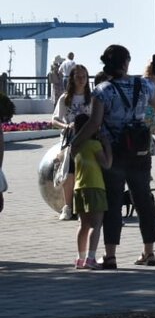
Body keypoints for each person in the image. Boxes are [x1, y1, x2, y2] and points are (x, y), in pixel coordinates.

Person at [73, 44, 155, 269]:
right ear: (126, 63)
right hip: (140, 152)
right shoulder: (144, 85)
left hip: (112, 152)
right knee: (144, 201)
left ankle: (111, 255)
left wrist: (75, 142)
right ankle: (149, 252)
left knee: (113, 203)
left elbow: (94, 123)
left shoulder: (102, 91)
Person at [51, 63, 92, 220]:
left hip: (88, 138)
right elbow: (54, 119)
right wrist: (66, 125)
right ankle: (67, 206)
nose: (81, 80)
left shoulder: (92, 98)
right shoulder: (65, 97)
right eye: (78, 77)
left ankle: (84, 206)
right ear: (72, 79)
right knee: (70, 172)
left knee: (87, 172)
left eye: (84, 77)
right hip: (70, 140)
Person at [70, 113, 111, 269]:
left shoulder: (74, 147)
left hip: (79, 188)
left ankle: (80, 258)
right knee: (96, 224)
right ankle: (91, 258)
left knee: (83, 225)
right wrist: (107, 146)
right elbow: (107, 164)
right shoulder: (94, 145)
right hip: (95, 186)